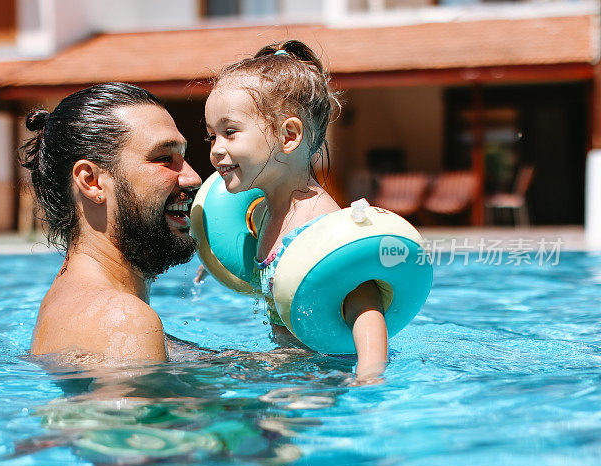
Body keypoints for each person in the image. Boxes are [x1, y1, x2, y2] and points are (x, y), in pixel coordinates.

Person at [203, 40, 388, 381]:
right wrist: (212, 259)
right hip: (287, 365)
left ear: (289, 135)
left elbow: (365, 304)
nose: (216, 150)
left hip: (319, 377)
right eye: (211, 136)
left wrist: (368, 378)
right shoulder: (262, 213)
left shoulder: (320, 225)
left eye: (229, 133)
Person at [21, 82, 202, 362]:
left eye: (183, 156)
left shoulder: (71, 302)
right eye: (164, 158)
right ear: (91, 181)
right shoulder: (124, 321)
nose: (192, 178)